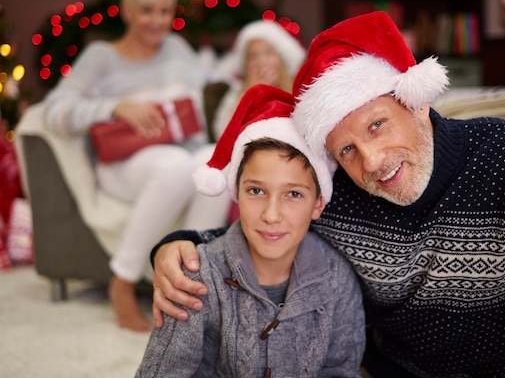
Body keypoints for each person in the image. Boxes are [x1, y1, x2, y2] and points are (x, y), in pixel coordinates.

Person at [150, 11, 505, 376]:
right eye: (347, 148)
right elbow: (264, 225)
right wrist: (174, 246)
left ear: (416, 101)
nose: (373, 161)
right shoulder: (338, 191)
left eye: (377, 125)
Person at [42, 0, 230, 332]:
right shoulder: (101, 57)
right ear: (127, 9)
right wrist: (114, 107)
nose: (156, 21)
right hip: (121, 166)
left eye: (164, 11)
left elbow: (215, 78)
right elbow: (52, 112)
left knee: (214, 166)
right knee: (176, 166)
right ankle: (123, 282)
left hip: (177, 152)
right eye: (146, 10)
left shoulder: (176, 49)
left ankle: (190, 284)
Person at [135, 84, 365, 377]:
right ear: (236, 193)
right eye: (256, 190)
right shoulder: (195, 278)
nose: (271, 215)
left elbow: (341, 371)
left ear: (318, 204)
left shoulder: (337, 279)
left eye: (293, 194)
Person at [207, 19, 305, 141]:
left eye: (268, 53)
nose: (261, 61)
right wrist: (248, 96)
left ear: (282, 58)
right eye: (252, 56)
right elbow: (221, 134)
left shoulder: (299, 91)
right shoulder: (237, 91)